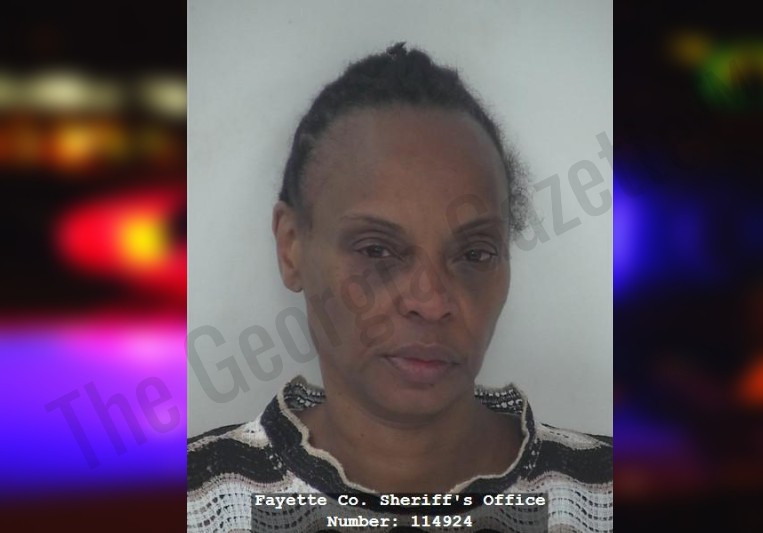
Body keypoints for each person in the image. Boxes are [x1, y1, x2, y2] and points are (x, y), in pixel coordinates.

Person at [188, 43, 612, 532]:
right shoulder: (198, 502)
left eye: (474, 254)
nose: (430, 302)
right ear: (291, 248)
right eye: (376, 250)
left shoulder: (599, 496)